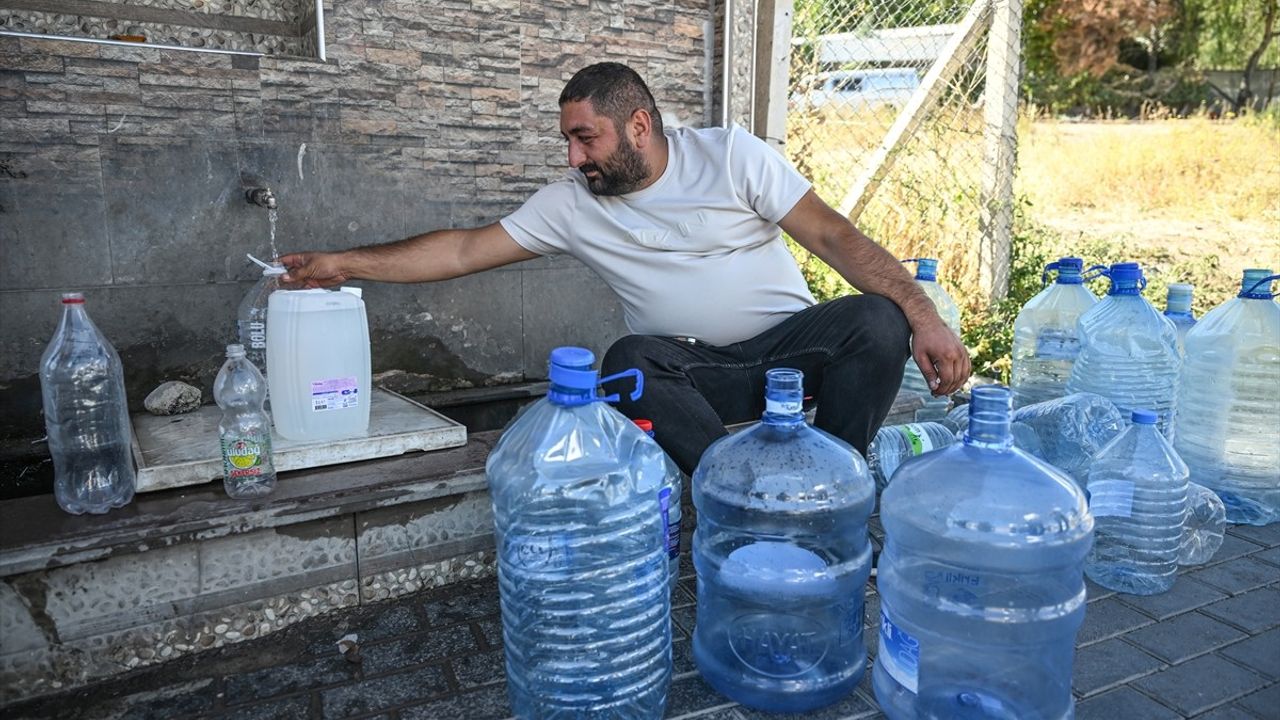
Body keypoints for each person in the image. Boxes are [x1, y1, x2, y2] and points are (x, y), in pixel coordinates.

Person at [280, 62, 970, 474]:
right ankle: (740, 493)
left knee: (878, 320)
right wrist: (344, 263)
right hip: (694, 377)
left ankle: (832, 487)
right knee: (629, 359)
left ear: (638, 126)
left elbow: (834, 237)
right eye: (568, 142)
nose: (574, 159)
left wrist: (924, 315)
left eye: (586, 139)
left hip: (793, 356)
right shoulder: (571, 205)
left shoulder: (731, 156)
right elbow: (463, 250)